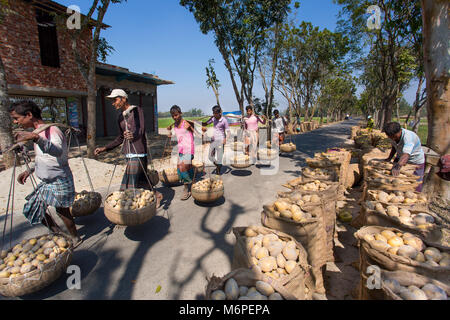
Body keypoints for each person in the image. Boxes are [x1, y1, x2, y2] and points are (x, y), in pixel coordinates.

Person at [9, 100, 80, 245]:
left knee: (62, 211)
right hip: (46, 182)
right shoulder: (37, 132)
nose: (16, 122)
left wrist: (37, 139)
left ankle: (74, 237)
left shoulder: (52, 131)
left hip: (59, 179)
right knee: (33, 208)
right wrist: (30, 170)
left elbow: (57, 151)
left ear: (29, 115)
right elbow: (43, 158)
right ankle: (59, 235)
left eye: (17, 118)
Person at [94, 89, 163, 207]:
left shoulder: (136, 111)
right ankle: (157, 195)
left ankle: (125, 211)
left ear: (123, 99)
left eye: (115, 100)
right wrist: (105, 148)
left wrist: (133, 135)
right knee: (141, 179)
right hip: (128, 153)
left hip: (138, 152)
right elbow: (120, 138)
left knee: (128, 183)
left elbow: (140, 129)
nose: (113, 103)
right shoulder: (120, 117)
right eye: (112, 101)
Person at [383, 122, 425, 192]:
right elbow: (394, 146)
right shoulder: (392, 136)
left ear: (400, 131)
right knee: (395, 180)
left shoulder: (408, 137)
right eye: (390, 137)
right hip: (401, 158)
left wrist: (398, 166)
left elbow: (406, 155)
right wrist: (389, 158)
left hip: (415, 161)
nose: (392, 138)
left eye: (394, 136)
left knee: (415, 183)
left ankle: (416, 198)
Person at [167, 105, 195, 200]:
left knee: (182, 168)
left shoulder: (186, 123)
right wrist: (170, 134)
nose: (175, 117)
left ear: (180, 114)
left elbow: (198, 133)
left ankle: (186, 188)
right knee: (180, 169)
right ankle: (192, 182)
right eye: (173, 116)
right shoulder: (174, 125)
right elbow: (179, 136)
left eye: (176, 115)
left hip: (189, 149)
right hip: (181, 149)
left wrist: (190, 128)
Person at [202, 105, 230, 175]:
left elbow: (228, 132)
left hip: (221, 140)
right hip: (213, 140)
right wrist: (196, 122)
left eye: (215, 113)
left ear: (220, 112)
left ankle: (218, 171)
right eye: (213, 113)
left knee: (219, 157)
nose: (214, 114)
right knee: (210, 156)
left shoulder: (224, 120)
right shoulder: (213, 119)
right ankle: (217, 165)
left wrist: (225, 139)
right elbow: (205, 123)